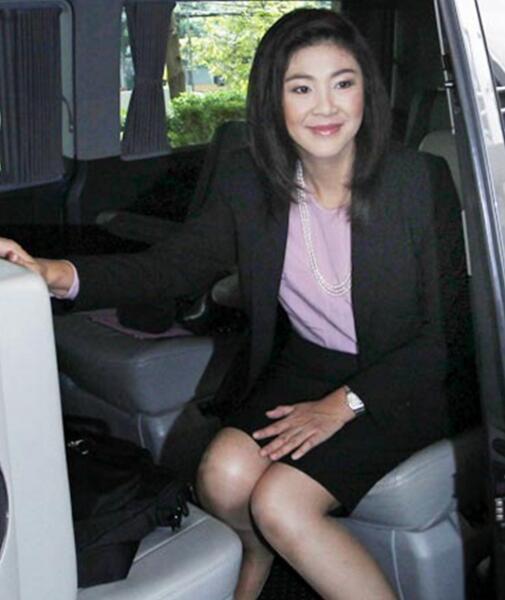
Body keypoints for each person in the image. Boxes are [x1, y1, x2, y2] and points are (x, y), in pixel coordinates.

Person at [0, 8, 470, 600]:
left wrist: (344, 404)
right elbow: (171, 267)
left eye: (342, 83)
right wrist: (54, 273)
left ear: (366, 92)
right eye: (301, 88)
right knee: (221, 478)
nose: (325, 107)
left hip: (410, 373)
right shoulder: (252, 182)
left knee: (280, 501)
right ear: (273, 100)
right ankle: (258, 556)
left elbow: (448, 334)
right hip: (311, 363)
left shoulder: (418, 180)